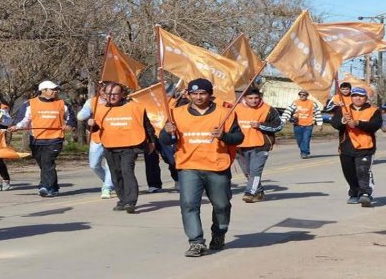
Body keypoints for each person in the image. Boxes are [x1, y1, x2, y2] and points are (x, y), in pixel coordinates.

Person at [159, 78, 243, 257]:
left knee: (221, 205)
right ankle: (196, 242)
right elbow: (165, 141)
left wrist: (224, 136)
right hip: (188, 166)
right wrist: (168, 132)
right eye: (194, 93)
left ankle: (219, 234)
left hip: (217, 166)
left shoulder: (224, 113)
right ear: (188, 94)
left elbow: (238, 138)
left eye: (202, 93)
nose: (198, 97)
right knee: (188, 204)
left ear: (210, 94)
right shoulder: (176, 113)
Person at [88, 82, 156, 213]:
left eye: (115, 94)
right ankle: (122, 200)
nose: (112, 97)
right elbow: (95, 128)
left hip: (129, 146)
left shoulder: (135, 107)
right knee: (116, 173)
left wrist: (151, 141)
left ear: (122, 94)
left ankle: (130, 202)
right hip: (109, 146)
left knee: (127, 171)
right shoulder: (100, 109)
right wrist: (90, 124)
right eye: (108, 94)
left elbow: (147, 126)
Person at [8, 80, 76, 197]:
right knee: (43, 164)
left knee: (47, 162)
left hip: (55, 138)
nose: (56, 92)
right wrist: (17, 127)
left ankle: (45, 187)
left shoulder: (62, 103)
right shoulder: (29, 104)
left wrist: (69, 125)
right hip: (36, 139)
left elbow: (71, 117)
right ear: (43, 91)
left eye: (56, 90)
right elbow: (24, 119)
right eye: (53, 89)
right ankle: (54, 187)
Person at [330, 87, 382, 207]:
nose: (358, 98)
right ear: (351, 97)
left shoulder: (373, 110)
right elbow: (335, 124)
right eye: (355, 95)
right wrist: (343, 120)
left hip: (366, 147)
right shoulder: (343, 109)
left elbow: (375, 125)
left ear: (365, 98)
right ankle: (354, 193)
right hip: (346, 147)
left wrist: (359, 123)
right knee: (349, 173)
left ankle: (365, 194)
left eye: (361, 96)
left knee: (363, 171)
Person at [234, 87, 283, 203]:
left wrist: (260, 125)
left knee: (255, 171)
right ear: (244, 98)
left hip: (260, 146)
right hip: (240, 147)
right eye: (250, 98)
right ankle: (259, 191)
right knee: (248, 172)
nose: (254, 100)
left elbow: (278, 126)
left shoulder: (268, 109)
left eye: (256, 98)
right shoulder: (236, 108)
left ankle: (250, 192)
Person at [76, 84, 114, 199]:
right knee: (94, 165)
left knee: (110, 165)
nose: (105, 93)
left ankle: (107, 187)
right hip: (97, 138)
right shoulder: (92, 102)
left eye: (108, 91)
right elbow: (81, 116)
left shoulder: (117, 102)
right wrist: (88, 119)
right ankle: (109, 181)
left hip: (113, 138)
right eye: (103, 90)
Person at [280, 90, 323, 159]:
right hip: (297, 125)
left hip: (308, 125)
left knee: (306, 139)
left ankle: (304, 153)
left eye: (304, 95)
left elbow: (318, 113)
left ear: (307, 95)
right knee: (299, 140)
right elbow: (288, 111)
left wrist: (320, 124)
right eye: (300, 94)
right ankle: (303, 150)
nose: (302, 96)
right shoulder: (295, 102)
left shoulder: (312, 103)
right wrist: (283, 120)